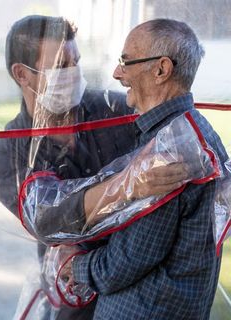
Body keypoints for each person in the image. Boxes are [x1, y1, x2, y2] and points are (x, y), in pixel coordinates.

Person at [0, 15, 188, 319]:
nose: (73, 73)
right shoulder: (7, 153)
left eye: (76, 61)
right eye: (60, 66)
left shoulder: (120, 112)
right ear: (22, 74)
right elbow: (49, 217)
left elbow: (182, 148)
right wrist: (129, 184)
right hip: (75, 293)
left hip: (143, 291)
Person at [64, 19, 229, 320]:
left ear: (161, 70)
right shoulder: (184, 132)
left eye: (126, 62)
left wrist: (73, 265)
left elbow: (124, 262)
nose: (117, 73)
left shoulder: (171, 149)